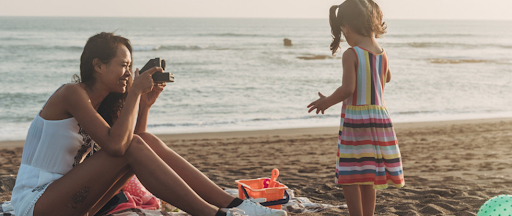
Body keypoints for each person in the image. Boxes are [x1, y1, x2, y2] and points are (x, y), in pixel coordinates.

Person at [10, 32, 287, 216]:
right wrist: (133, 93)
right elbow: (118, 147)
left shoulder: (100, 105)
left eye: (130, 67)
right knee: (132, 146)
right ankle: (216, 214)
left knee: (148, 141)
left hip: (72, 199)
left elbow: (137, 146)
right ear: (98, 66)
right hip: (36, 202)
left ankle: (236, 205)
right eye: (123, 66)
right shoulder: (72, 93)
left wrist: (144, 104)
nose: (128, 73)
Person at [307, 1, 405, 215]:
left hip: (357, 120)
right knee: (368, 174)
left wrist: (326, 101)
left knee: (350, 174)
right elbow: (387, 78)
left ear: (346, 28)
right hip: (379, 120)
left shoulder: (352, 54)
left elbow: (347, 89)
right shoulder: (382, 53)